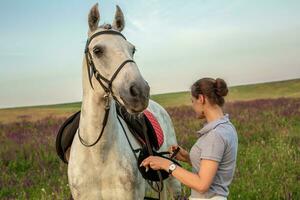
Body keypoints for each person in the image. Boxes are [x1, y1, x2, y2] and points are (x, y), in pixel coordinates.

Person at [140, 78, 238, 200]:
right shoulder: (226, 127)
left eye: (193, 101)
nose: (192, 106)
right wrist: (187, 157)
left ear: (201, 99)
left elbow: (202, 185)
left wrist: (166, 164)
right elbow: (213, 169)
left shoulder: (215, 135)